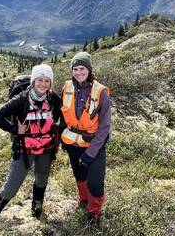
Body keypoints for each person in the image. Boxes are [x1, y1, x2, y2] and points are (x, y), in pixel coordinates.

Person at [0, 64, 62, 222]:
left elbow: (58, 118)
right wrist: (14, 129)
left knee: (42, 179)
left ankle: (36, 212)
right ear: (33, 81)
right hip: (24, 149)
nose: (43, 84)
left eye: (47, 80)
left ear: (50, 83)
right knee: (12, 185)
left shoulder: (54, 99)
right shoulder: (21, 99)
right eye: (40, 80)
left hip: (46, 148)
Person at [60, 52, 111, 227]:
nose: (78, 72)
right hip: (73, 143)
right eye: (75, 69)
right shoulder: (66, 87)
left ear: (89, 70)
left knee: (96, 183)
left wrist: (91, 153)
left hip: (94, 145)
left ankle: (94, 213)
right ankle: (83, 200)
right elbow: (62, 117)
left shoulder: (101, 92)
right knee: (79, 175)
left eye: (82, 68)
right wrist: (62, 140)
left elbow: (104, 127)